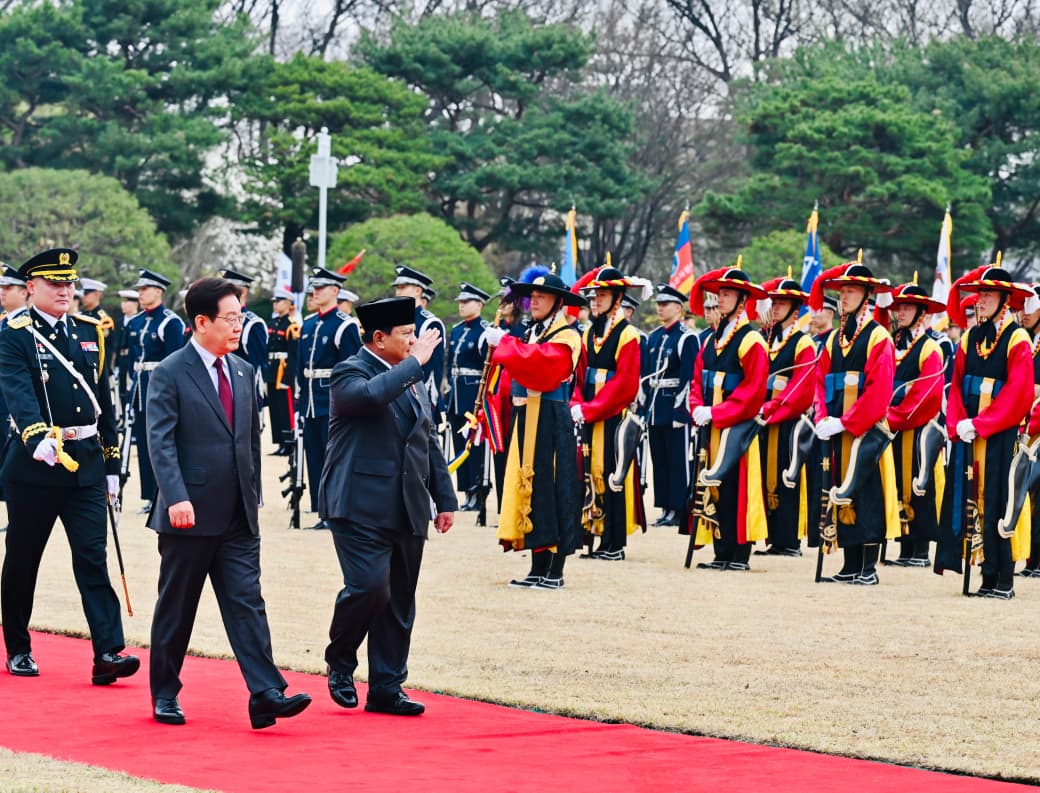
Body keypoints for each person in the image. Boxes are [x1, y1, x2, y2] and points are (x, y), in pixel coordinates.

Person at [146, 276, 311, 728]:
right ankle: (164, 692)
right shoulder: (169, 372)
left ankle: (266, 693)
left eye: (241, 316)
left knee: (247, 603)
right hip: (189, 515)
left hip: (238, 514)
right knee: (177, 608)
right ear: (201, 322)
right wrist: (175, 497)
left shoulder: (242, 370)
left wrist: (254, 497)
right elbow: (159, 444)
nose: (239, 325)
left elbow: (247, 445)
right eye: (231, 318)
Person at [0, 248, 138, 683]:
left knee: (92, 558)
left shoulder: (89, 331)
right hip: (36, 465)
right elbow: (18, 392)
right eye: (54, 284)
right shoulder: (15, 334)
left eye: (69, 283)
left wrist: (113, 463)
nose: (65, 290)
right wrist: (37, 436)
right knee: (23, 559)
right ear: (31, 288)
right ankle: (18, 647)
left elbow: (103, 402)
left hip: (87, 464)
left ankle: (108, 653)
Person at [319, 296, 456, 717]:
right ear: (379, 339)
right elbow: (371, 397)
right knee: (369, 587)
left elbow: (426, 438)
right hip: (358, 503)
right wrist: (415, 363)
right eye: (406, 335)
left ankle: (386, 687)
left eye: (415, 335)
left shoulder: (410, 377)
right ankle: (340, 660)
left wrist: (444, 497)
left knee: (399, 600)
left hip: (407, 503)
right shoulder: (350, 371)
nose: (415, 342)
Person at [936, 263, 1034, 599]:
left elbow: (1019, 392)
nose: (982, 299)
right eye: (981, 293)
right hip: (969, 433)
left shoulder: (1017, 338)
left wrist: (982, 423)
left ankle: (1003, 577)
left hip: (1000, 433)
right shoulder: (970, 337)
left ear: (1005, 298)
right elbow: (958, 383)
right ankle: (983, 572)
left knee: (997, 501)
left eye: (989, 293)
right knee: (972, 500)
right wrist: (960, 422)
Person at [484, 273, 585, 588]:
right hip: (527, 416)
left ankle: (555, 569)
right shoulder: (532, 333)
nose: (535, 300)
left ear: (557, 301)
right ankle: (537, 565)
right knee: (532, 488)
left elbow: (544, 367)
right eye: (532, 295)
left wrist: (506, 345)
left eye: (543, 295)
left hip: (552, 417)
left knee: (554, 490)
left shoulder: (567, 336)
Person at [810, 261, 900, 586]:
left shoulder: (879, 338)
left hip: (867, 433)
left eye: (851, 291)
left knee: (867, 494)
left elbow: (879, 392)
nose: (844, 297)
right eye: (842, 291)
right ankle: (849, 564)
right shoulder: (833, 339)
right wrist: (822, 417)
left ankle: (868, 568)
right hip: (836, 429)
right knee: (840, 492)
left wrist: (847, 421)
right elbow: (820, 382)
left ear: (867, 295)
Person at [688, 265, 769, 570]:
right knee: (716, 487)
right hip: (712, 426)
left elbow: (752, 392)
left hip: (738, 428)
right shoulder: (710, 340)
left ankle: (738, 554)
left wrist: (717, 412)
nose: (719, 299)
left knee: (737, 487)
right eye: (719, 293)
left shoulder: (752, 341)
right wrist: (697, 406)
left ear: (742, 299)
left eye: (727, 294)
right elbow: (698, 378)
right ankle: (721, 551)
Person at [571, 266, 645, 560]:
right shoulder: (589, 331)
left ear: (617, 299)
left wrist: (591, 409)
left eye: (602, 295)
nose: (595, 300)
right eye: (594, 295)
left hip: (613, 415)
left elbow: (625, 384)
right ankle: (592, 532)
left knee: (613, 475)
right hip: (588, 412)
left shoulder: (628, 335)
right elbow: (578, 371)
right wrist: (577, 403)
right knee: (589, 472)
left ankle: (614, 542)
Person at [882, 279, 945, 568]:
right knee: (896, 482)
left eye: (908, 307)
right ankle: (904, 548)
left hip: (917, 428)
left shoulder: (930, 348)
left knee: (920, 485)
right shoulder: (889, 344)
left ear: (921, 313)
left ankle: (919, 550)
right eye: (899, 307)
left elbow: (926, 395)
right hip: (890, 427)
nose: (902, 312)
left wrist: (894, 416)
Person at [295, 267, 362, 530]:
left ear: (335, 291)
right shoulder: (309, 324)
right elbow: (300, 366)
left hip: (333, 400)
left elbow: (352, 369)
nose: (316, 292)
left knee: (334, 457)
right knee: (314, 456)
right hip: (311, 398)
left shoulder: (345, 326)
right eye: (314, 287)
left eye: (321, 287)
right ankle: (321, 508)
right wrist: (300, 400)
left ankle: (338, 510)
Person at [757, 273, 815, 557]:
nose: (776, 307)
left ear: (795, 310)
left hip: (787, 421)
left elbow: (800, 387)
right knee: (762, 476)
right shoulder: (763, 340)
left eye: (783, 303)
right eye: (775, 302)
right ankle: (770, 536)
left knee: (786, 477)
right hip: (760, 419)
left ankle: (789, 540)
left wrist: (770, 408)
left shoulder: (803, 342)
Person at [120, 269, 185, 513]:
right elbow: (130, 361)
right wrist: (128, 391)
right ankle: (149, 495)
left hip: (160, 390)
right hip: (139, 389)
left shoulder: (170, 322)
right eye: (139, 289)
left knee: (163, 444)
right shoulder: (136, 321)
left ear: (158, 291)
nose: (140, 293)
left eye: (144, 289)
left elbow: (175, 362)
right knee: (144, 446)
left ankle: (165, 493)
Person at [641, 284, 697, 528]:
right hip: (655, 406)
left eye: (666, 304)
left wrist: (681, 410)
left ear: (679, 308)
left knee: (677, 461)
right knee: (660, 459)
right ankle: (664, 507)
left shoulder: (686, 338)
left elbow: (689, 377)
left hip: (674, 405)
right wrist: (644, 408)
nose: (660, 308)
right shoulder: (653, 337)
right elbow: (644, 375)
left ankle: (678, 508)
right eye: (659, 304)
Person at [445, 283, 491, 511]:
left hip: (473, 395)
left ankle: (477, 489)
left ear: (480, 304)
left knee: (473, 444)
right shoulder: (456, 329)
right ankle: (465, 490)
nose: (462, 306)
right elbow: (449, 363)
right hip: (456, 394)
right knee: (458, 443)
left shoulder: (484, 330)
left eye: (467, 302)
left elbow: (488, 368)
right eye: (461, 302)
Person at [393, 266, 447, 448]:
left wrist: (426, 404)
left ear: (418, 290)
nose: (398, 291)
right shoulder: (394, 319)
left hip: (417, 396)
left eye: (403, 287)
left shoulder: (429, 322)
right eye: (397, 287)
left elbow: (432, 370)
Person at [219, 269, 269, 426]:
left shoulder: (253, 324)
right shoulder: (218, 320)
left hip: (242, 394)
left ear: (244, 291)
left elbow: (257, 369)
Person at [1018, 285, 1040, 579]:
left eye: (1030, 306)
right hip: (1028, 427)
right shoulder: (1030, 342)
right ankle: (1032, 559)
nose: (1023, 313)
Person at [267, 285, 300, 456]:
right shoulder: (272, 323)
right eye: (275, 301)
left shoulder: (292, 325)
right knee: (274, 408)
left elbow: (294, 355)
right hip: (272, 369)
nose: (276, 304)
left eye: (279, 301)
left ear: (289, 303)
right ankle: (279, 441)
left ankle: (288, 443)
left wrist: (289, 377)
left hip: (283, 370)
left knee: (285, 408)